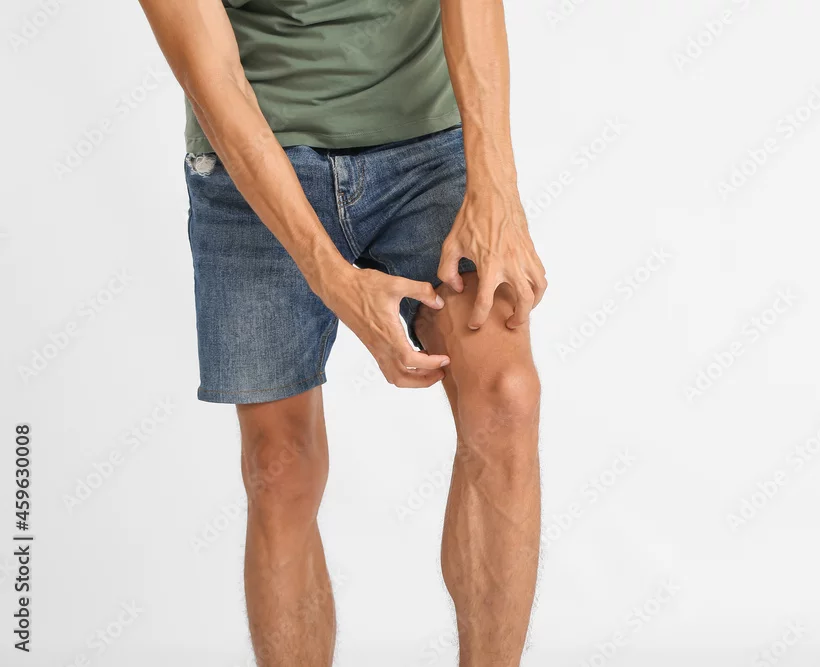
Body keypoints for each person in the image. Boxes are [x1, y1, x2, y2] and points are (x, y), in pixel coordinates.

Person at [138, 0, 547, 665]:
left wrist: (496, 189)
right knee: (280, 469)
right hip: (255, 155)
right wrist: (332, 276)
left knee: (507, 396)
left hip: (428, 147)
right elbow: (212, 75)